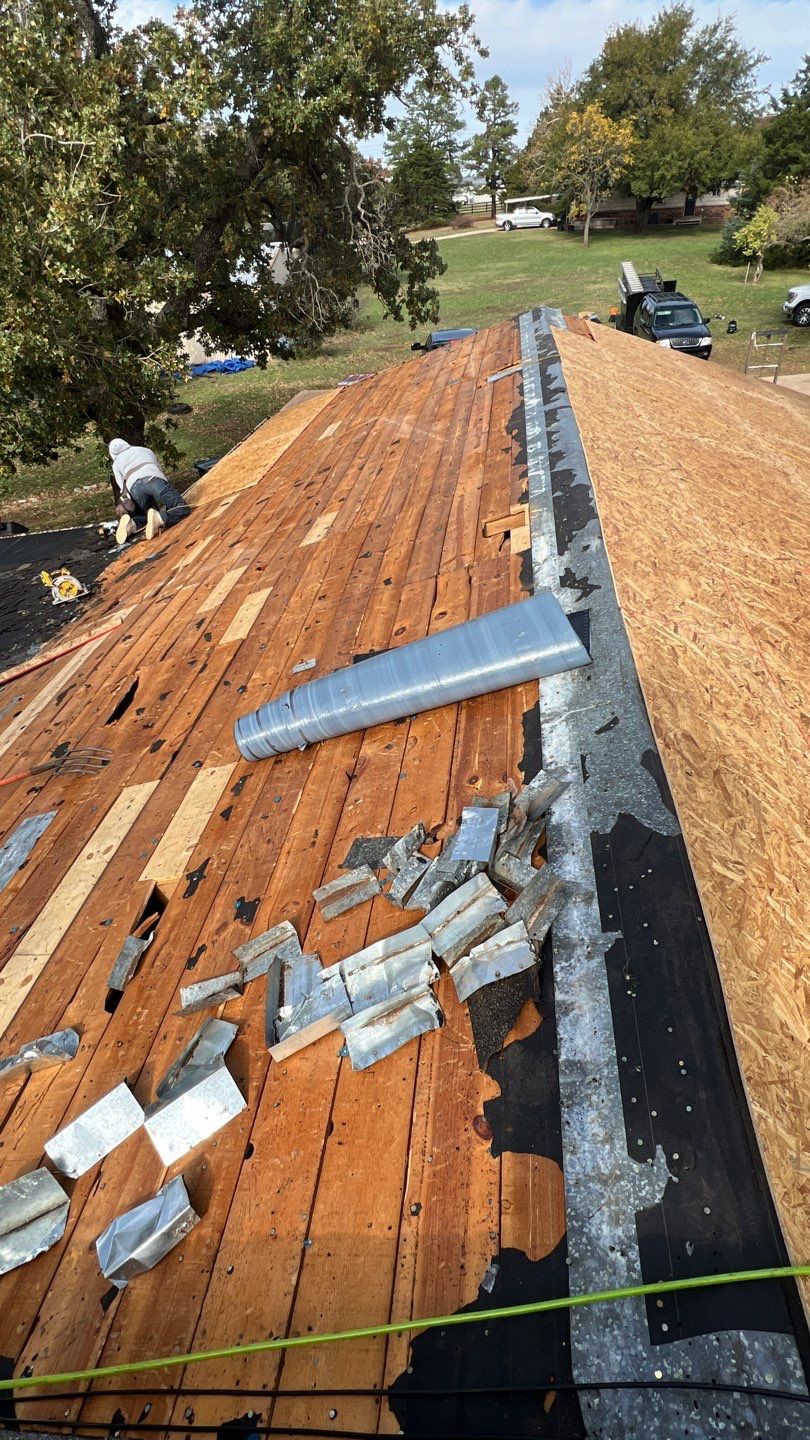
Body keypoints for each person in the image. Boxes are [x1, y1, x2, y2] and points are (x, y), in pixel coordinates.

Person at [108, 439, 191, 545]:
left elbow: (122, 487)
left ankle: (133, 523)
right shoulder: (145, 450)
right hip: (153, 478)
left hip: (134, 487)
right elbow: (158, 468)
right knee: (182, 508)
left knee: (148, 516)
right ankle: (160, 518)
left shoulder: (116, 464)